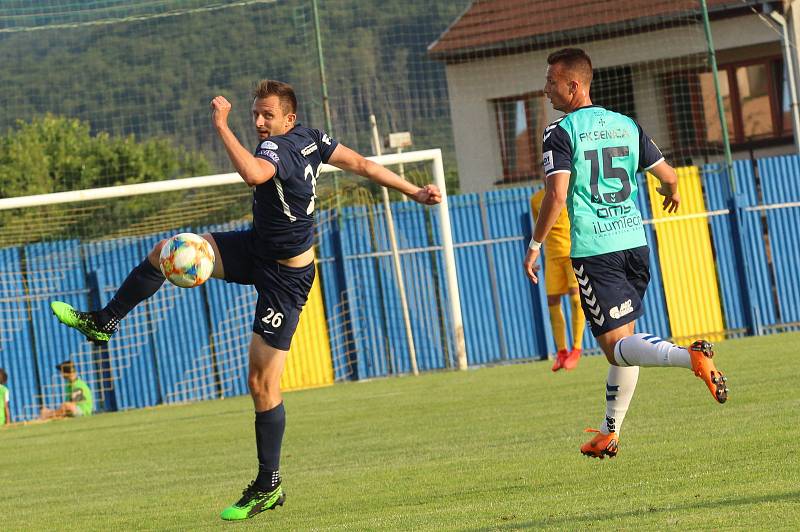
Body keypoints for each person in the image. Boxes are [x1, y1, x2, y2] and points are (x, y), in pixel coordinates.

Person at [50, 79, 442, 520]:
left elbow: (257, 173)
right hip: (256, 248)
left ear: (288, 119)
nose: (258, 122)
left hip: (285, 280)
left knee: (261, 384)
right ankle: (106, 321)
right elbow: (364, 166)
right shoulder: (311, 139)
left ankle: (268, 485)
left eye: (266, 115)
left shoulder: (276, 150)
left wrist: (222, 125)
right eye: (255, 114)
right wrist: (414, 191)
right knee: (167, 252)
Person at [523, 48, 728, 459]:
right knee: (627, 342)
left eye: (551, 82)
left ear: (573, 86)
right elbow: (669, 177)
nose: (545, 90)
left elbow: (557, 193)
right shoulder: (625, 124)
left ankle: (689, 356)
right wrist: (670, 192)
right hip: (635, 246)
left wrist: (534, 245)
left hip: (596, 251)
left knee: (617, 347)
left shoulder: (559, 132)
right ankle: (609, 432)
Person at [530, 187, 585, 371]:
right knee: (552, 301)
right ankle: (562, 352)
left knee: (576, 298)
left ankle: (576, 348)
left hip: (572, 254)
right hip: (552, 257)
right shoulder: (536, 200)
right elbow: (539, 230)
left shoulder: (569, 193)